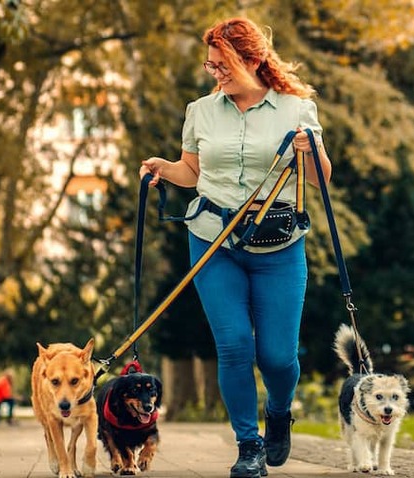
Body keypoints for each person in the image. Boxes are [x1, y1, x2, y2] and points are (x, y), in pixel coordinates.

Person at [139, 16, 331, 478]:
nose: (215, 74)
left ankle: (280, 412)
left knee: (279, 357)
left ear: (252, 60)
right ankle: (249, 446)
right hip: (212, 240)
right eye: (210, 66)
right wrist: (165, 168)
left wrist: (312, 150)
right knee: (234, 346)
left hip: (279, 247)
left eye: (222, 65)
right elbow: (193, 173)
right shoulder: (200, 111)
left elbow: (320, 179)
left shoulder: (296, 108)